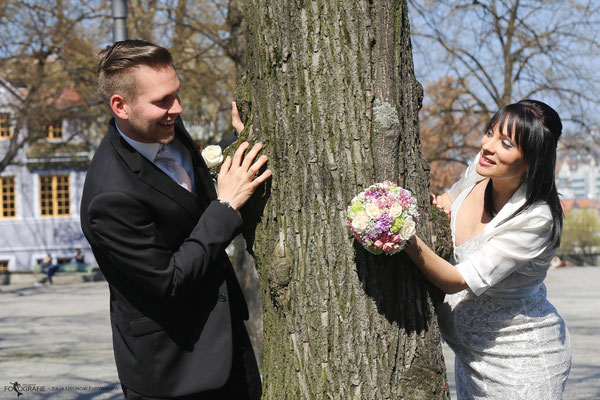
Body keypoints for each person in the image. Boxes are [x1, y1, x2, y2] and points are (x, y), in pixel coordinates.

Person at [80, 40, 271, 399]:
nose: (177, 108)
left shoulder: (164, 128)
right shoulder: (109, 197)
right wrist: (226, 208)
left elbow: (189, 200)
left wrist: (237, 145)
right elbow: (169, 281)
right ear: (120, 106)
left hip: (229, 342)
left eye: (176, 94)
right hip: (175, 373)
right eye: (162, 101)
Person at [403, 99, 571, 398]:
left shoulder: (538, 217)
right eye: (489, 132)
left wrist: (401, 233)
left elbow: (454, 281)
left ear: (532, 159)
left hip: (523, 365)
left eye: (505, 143)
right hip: (472, 361)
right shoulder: (479, 173)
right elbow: (446, 204)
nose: (487, 145)